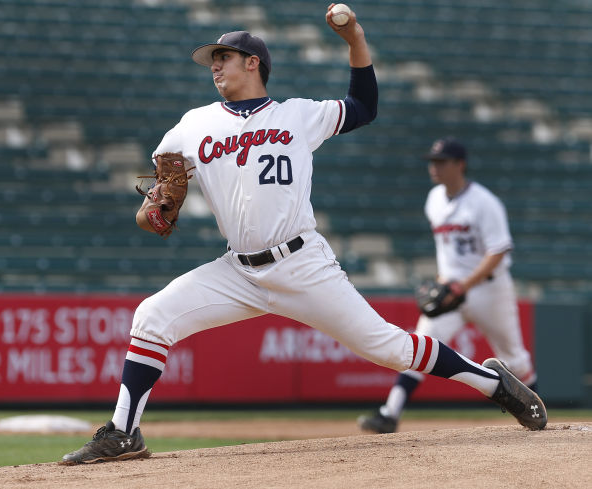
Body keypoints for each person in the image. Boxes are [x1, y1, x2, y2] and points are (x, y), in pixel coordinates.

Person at [61, 6, 546, 465]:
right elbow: (159, 195)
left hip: (302, 263)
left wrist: (354, 38)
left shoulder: (299, 115)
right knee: (152, 317)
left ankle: (493, 383)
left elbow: (364, 106)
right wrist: (152, 209)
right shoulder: (192, 125)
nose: (214, 66)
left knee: (391, 348)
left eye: (223, 57)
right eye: (212, 60)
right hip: (238, 270)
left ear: (253, 63)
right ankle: (124, 431)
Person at [358, 137, 539, 434]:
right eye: (432, 161)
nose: (434, 167)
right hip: (451, 292)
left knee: (514, 357)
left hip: (489, 290)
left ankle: (535, 410)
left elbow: (498, 251)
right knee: (421, 343)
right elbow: (448, 253)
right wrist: (445, 282)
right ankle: (389, 413)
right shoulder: (434, 200)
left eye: (441, 162)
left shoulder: (484, 202)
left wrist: (463, 284)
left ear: (460, 165)